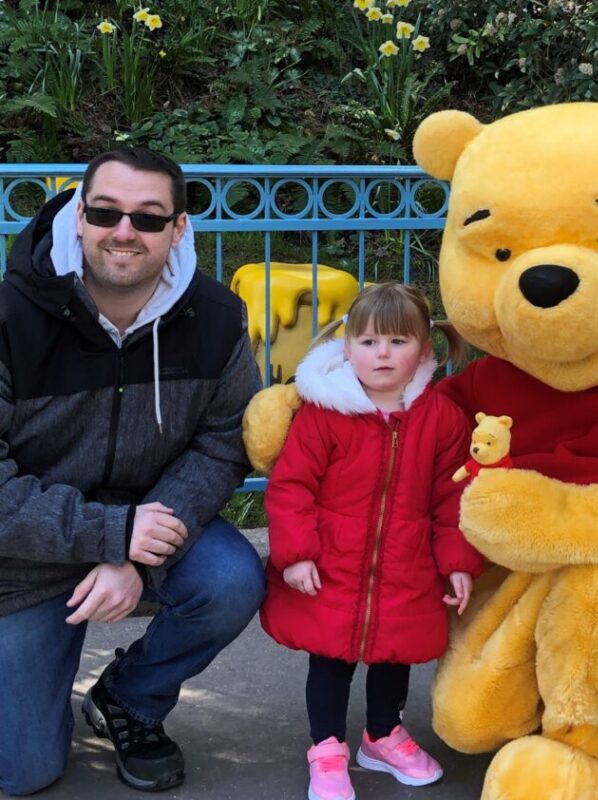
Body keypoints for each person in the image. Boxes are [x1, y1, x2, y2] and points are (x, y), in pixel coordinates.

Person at [0, 147, 264, 795]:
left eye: (149, 218)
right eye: (107, 212)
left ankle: (130, 698)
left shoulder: (218, 318)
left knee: (231, 579)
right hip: (24, 554)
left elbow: (224, 443)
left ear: (179, 229)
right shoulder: (8, 316)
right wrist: (110, 533)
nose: (125, 231)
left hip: (153, 529)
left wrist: (136, 553)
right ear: (79, 214)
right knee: (25, 771)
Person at [260, 282, 484, 800]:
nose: (382, 354)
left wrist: (457, 562)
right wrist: (297, 554)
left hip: (406, 566)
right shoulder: (324, 415)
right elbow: (292, 487)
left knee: (393, 656)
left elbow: (454, 497)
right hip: (331, 567)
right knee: (331, 659)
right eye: (369, 342)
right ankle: (328, 749)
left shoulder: (440, 418)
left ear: (424, 350)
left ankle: (381, 735)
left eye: (398, 342)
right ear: (348, 349)